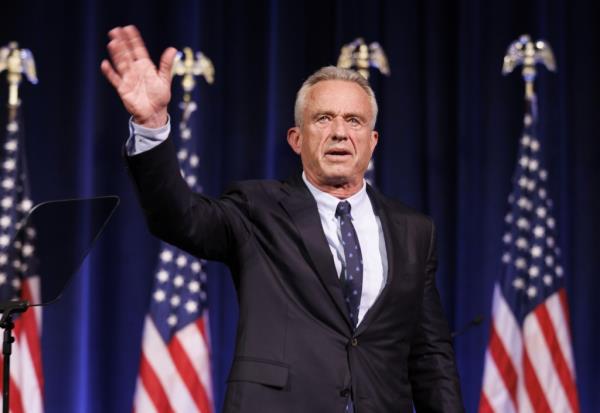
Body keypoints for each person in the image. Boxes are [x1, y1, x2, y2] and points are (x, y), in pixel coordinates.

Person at [102, 25, 464, 413]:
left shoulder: (414, 231)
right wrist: (152, 126)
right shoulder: (258, 208)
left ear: (372, 141)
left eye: (354, 121)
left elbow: (430, 356)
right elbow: (179, 218)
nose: (340, 132)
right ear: (296, 139)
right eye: (323, 118)